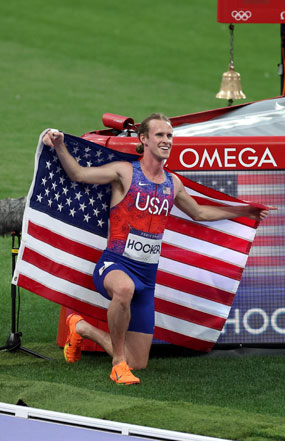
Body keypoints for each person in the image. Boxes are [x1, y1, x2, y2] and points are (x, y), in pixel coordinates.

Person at [42, 113, 271, 385]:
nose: (166, 140)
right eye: (160, 135)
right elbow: (78, 174)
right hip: (114, 264)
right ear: (144, 140)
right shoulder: (124, 172)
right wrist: (59, 144)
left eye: (170, 136)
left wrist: (243, 211)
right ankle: (117, 365)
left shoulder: (172, 183)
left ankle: (81, 328)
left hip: (146, 277)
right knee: (124, 291)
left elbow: (199, 213)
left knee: (138, 361)